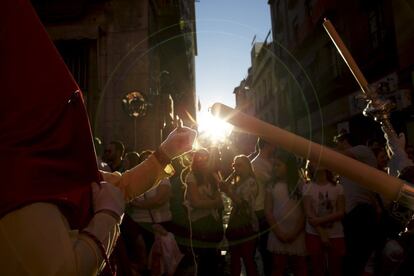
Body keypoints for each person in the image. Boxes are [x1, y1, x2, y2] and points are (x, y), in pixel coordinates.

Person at [264, 151, 307, 276]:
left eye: (278, 165)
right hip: (278, 232)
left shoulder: (299, 185)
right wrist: (279, 232)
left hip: (296, 233)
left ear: (289, 166)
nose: (275, 168)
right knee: (278, 266)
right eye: (274, 165)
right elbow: (268, 211)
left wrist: (295, 232)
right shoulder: (271, 185)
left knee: (299, 266)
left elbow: (304, 211)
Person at [184, 148, 224, 276]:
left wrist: (207, 202)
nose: (202, 161)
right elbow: (196, 202)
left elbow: (220, 200)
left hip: (214, 221)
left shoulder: (213, 176)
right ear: (195, 160)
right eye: (199, 158)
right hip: (199, 222)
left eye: (206, 158)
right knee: (203, 260)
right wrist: (213, 202)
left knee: (213, 259)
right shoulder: (191, 176)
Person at [303, 164, 345, 276]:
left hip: (335, 233)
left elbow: (341, 212)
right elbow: (308, 212)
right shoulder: (307, 187)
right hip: (314, 233)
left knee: (335, 268)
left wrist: (319, 220)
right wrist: (322, 233)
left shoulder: (337, 187)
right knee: (317, 268)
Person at [221, 155, 259, 276]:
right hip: (235, 224)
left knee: (248, 259)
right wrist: (232, 175)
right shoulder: (237, 182)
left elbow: (243, 204)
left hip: (247, 224)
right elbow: (222, 187)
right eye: (235, 165)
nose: (236, 168)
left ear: (248, 167)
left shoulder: (251, 182)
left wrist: (228, 192)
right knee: (234, 259)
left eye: (240, 165)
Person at [251, 137, 276, 276]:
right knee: (266, 245)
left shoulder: (272, 161)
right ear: (266, 145)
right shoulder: (256, 164)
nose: (276, 147)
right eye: (273, 144)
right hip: (261, 209)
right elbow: (270, 181)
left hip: (274, 207)